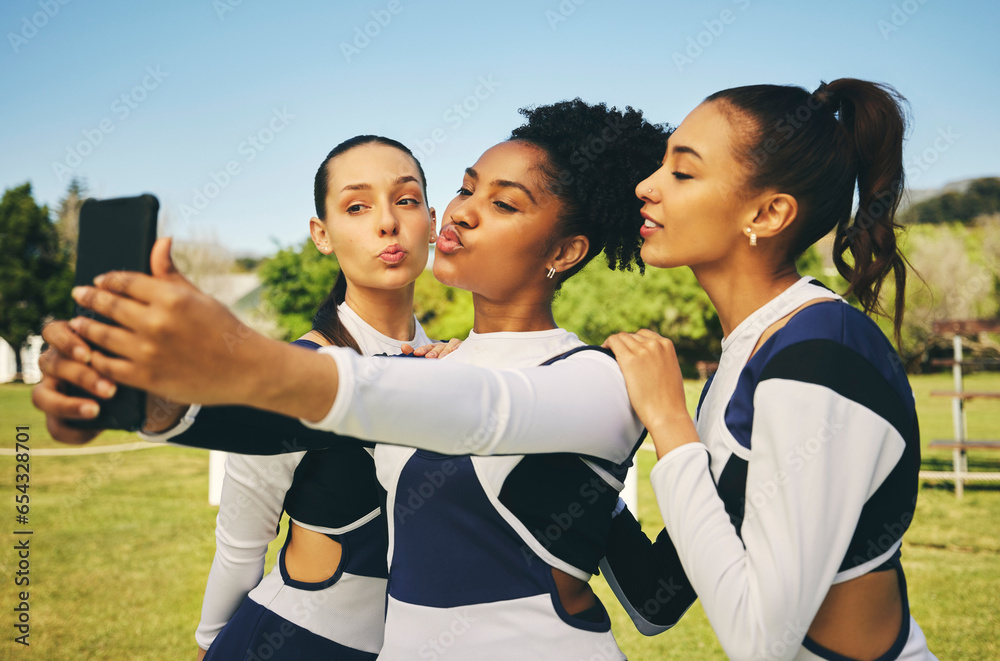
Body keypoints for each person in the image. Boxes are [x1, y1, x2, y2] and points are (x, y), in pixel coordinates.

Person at [39, 99, 670, 659]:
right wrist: (143, 403)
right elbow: (297, 425)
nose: (462, 214)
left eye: (502, 203)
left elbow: (477, 408)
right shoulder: (428, 369)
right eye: (465, 188)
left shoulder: (595, 377)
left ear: (564, 252)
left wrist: (233, 357)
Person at [37, 135, 440, 660]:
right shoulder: (291, 374)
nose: (387, 222)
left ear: (432, 221)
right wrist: (211, 644)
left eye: (405, 200)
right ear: (322, 234)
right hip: (293, 642)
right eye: (357, 206)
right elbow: (241, 545)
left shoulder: (455, 366)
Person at [602, 79, 936, 660]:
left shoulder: (821, 355)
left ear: (769, 212)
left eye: (682, 173)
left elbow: (762, 642)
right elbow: (655, 596)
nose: (646, 187)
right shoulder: (748, 353)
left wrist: (669, 424)